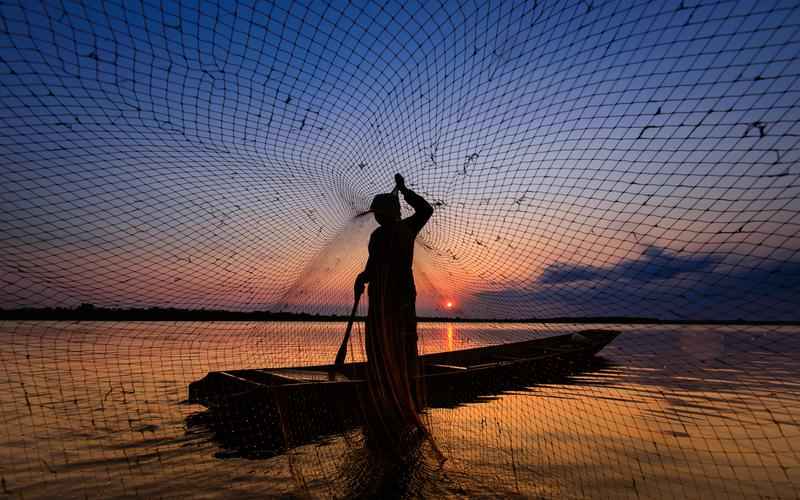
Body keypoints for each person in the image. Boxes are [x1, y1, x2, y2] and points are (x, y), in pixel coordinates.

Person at [354, 173, 433, 448]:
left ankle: (403, 391)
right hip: (379, 298)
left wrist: (404, 189)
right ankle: (381, 388)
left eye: (381, 213)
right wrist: (362, 277)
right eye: (376, 214)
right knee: (377, 342)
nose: (377, 218)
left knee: (402, 342)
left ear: (393, 212)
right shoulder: (376, 236)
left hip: (400, 298)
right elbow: (372, 266)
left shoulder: (407, 227)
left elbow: (426, 209)